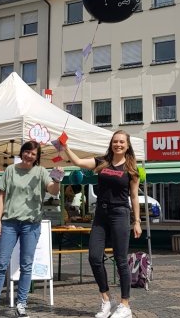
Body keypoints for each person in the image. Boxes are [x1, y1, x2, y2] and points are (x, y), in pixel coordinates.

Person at [63, 130, 142, 318]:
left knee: (121, 260)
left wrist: (137, 221)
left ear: (127, 145)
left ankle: (125, 305)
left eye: (122, 142)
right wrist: (65, 146)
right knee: (94, 257)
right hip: (101, 214)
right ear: (111, 144)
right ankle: (106, 300)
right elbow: (79, 162)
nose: (118, 144)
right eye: (115, 141)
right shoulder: (102, 162)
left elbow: (134, 197)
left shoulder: (132, 169)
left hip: (120, 213)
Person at [0, 141, 62, 318]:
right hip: (9, 222)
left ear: (37, 156)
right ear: (22, 152)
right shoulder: (10, 170)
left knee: (26, 265)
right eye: (26, 152)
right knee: (1, 263)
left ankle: (21, 305)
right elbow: (1, 197)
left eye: (33, 153)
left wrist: (57, 179)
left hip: (31, 224)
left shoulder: (40, 172)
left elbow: (53, 191)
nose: (29, 155)